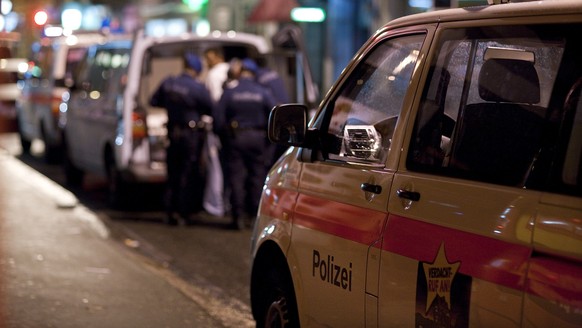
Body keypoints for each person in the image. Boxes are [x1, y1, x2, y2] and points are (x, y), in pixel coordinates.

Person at [150, 53, 213, 226]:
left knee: (172, 172)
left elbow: (153, 101)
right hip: (190, 134)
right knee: (188, 173)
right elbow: (210, 108)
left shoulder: (169, 83)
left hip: (173, 133)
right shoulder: (197, 88)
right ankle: (183, 213)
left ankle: (169, 211)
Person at [215, 58, 277, 230]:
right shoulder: (263, 92)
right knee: (257, 177)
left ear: (241, 72)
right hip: (258, 139)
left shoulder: (230, 92)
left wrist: (225, 139)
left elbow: (218, 120)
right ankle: (254, 217)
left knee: (236, 177)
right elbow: (274, 115)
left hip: (236, 138)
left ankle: (237, 217)